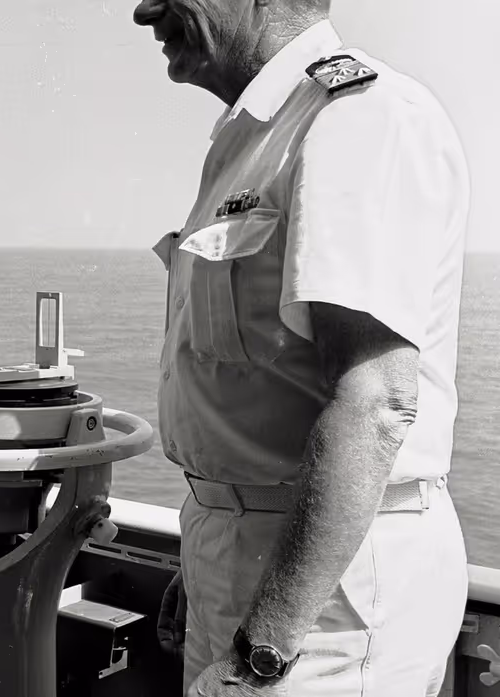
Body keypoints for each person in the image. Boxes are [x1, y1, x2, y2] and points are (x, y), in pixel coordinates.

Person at [132, 0, 471, 695]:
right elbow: (257, 391)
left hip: (325, 604)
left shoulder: (354, 118)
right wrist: (206, 553)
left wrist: (268, 638)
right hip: (250, 556)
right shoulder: (258, 136)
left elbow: (375, 401)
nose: (144, 11)